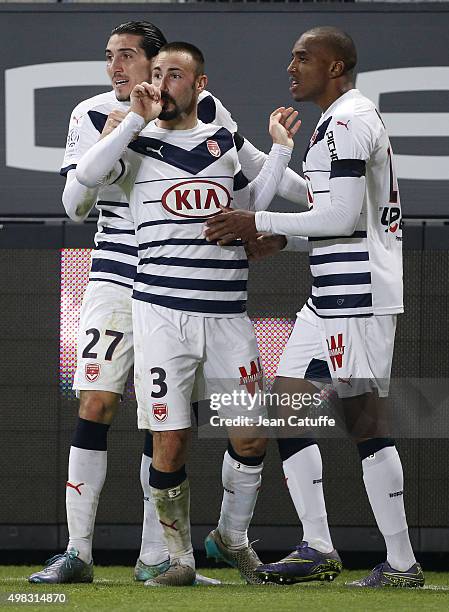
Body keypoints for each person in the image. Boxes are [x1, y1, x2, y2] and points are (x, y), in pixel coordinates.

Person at [28, 21, 308, 586]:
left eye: (129, 57)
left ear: (162, 66)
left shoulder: (209, 114)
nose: (116, 68)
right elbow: (74, 203)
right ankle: (77, 551)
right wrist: (127, 124)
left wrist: (310, 212)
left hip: (197, 285)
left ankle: (159, 555)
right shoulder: (94, 115)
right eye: (110, 57)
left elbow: (252, 181)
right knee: (97, 405)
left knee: (177, 426)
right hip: (117, 275)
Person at [205, 26, 424, 588]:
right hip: (327, 297)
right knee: (287, 404)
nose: (291, 65)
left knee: (363, 423)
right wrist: (280, 223)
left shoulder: (348, 121)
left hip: (359, 297)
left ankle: (402, 564)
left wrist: (258, 221)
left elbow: (343, 219)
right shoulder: (336, 122)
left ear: (337, 66)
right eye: (291, 56)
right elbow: (325, 210)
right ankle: (318, 547)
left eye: (304, 57)